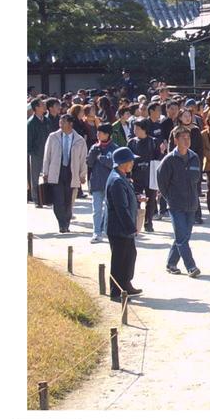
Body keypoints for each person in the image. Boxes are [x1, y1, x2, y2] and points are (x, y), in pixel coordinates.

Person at [156, 126, 203, 278]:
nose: (186, 141)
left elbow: (196, 179)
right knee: (182, 238)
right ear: (176, 140)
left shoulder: (194, 157)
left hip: (191, 204)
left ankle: (171, 263)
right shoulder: (169, 160)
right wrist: (169, 198)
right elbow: (162, 182)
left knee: (183, 237)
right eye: (183, 138)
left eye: (188, 138)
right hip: (176, 205)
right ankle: (191, 266)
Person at [105, 147, 141, 301]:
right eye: (130, 160)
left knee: (130, 256)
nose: (132, 163)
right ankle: (116, 291)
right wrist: (131, 227)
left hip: (124, 228)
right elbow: (121, 208)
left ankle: (126, 284)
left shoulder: (121, 177)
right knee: (119, 260)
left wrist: (137, 198)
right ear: (122, 163)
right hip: (119, 228)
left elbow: (127, 198)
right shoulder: (117, 181)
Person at [42, 113, 88, 234]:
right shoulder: (53, 137)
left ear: (70, 124)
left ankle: (66, 223)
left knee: (68, 200)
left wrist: (82, 174)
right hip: (57, 171)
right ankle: (61, 223)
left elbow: (83, 159)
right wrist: (45, 172)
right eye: (60, 122)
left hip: (71, 172)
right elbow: (47, 156)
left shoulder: (79, 140)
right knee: (58, 200)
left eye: (63, 122)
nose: (60, 125)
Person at [170, 108, 204, 224]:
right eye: (185, 116)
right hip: (179, 164)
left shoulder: (195, 130)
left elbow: (200, 149)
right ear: (180, 117)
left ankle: (197, 214)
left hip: (193, 162)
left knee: (194, 188)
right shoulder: (175, 131)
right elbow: (171, 149)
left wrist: (198, 163)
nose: (188, 118)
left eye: (189, 115)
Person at [86, 124, 118, 243]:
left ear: (107, 134)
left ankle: (106, 229)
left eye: (101, 133)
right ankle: (96, 232)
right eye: (98, 133)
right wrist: (93, 154)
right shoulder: (94, 147)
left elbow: (113, 164)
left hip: (109, 183)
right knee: (96, 209)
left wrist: (101, 158)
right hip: (96, 182)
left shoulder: (114, 148)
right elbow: (89, 163)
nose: (98, 135)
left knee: (108, 209)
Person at [27, 98, 53, 207]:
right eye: (42, 104)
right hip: (36, 153)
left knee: (48, 175)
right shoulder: (31, 122)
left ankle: (47, 198)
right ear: (36, 107)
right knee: (35, 177)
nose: (44, 105)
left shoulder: (47, 120)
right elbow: (28, 140)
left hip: (48, 152)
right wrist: (31, 152)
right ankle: (37, 200)